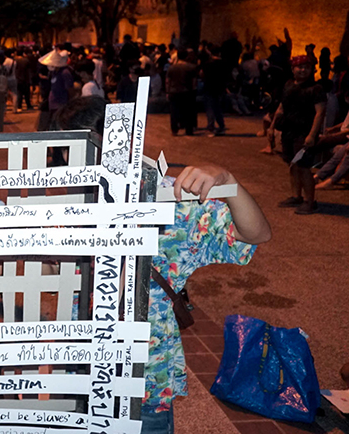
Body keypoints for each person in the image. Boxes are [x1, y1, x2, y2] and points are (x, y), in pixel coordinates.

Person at [51, 97, 271, 434]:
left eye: (89, 148)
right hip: (79, 375)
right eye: (69, 152)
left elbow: (254, 234)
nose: (78, 162)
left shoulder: (167, 200)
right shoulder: (73, 203)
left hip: (145, 379)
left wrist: (228, 181)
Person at [269, 54, 326, 215]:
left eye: (306, 67)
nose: (303, 70)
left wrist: (312, 135)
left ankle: (310, 201)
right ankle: (296, 196)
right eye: (299, 67)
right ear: (293, 69)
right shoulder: (288, 85)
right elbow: (281, 107)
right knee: (292, 164)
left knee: (303, 166)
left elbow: (320, 113)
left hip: (304, 132)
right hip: (288, 131)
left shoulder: (316, 89)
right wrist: (272, 127)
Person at [165, 51, 198, 136]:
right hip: (187, 91)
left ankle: (174, 129)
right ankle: (189, 129)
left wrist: (167, 91)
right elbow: (194, 81)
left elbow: (168, 81)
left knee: (174, 111)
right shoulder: (192, 67)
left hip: (174, 91)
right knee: (188, 111)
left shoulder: (171, 68)